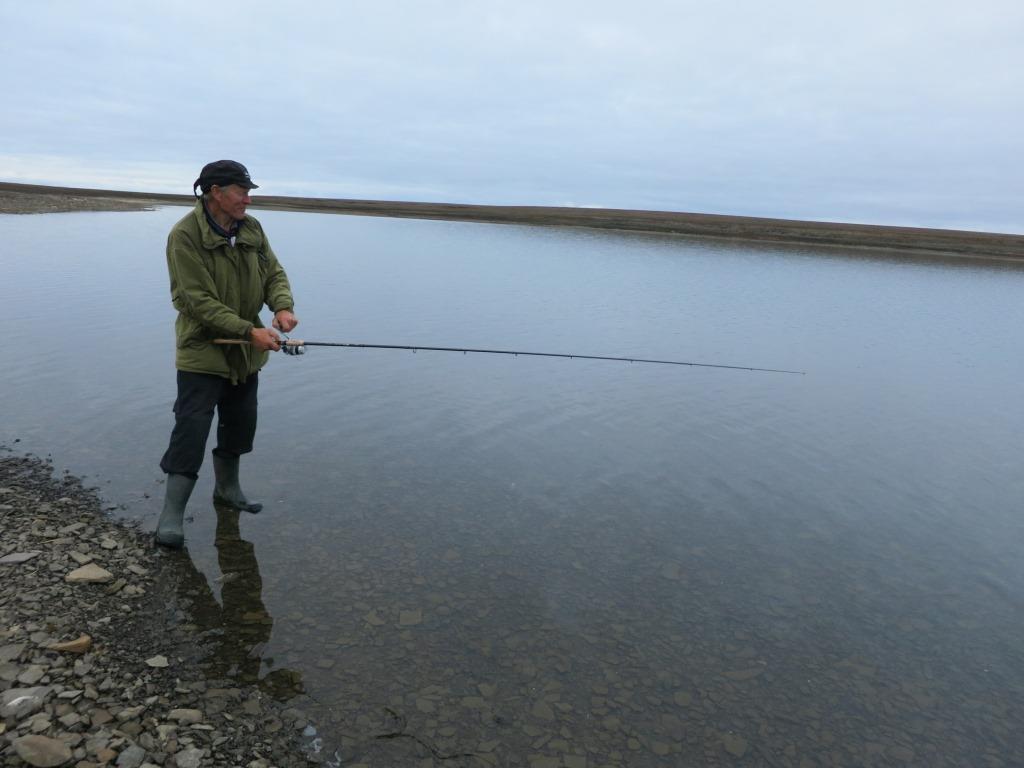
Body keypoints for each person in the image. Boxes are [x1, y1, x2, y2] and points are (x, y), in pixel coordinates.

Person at [155, 160, 298, 548]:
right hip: (203, 351)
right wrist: (247, 330)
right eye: (241, 191)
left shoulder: (251, 229)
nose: (247, 200)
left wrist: (281, 307)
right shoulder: (184, 235)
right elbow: (195, 300)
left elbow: (274, 274)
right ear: (215, 192)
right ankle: (171, 515)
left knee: (240, 423)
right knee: (191, 430)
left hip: (246, 354)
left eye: (248, 192)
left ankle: (227, 492)